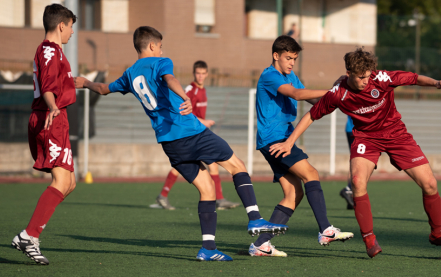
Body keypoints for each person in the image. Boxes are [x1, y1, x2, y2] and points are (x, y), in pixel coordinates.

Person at [75, 26, 288, 261]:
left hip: (170, 143)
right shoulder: (160, 62)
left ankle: (208, 249)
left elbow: (103, 89)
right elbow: (170, 79)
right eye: (161, 46)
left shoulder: (129, 74)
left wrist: (85, 82)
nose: (162, 49)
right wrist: (185, 96)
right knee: (237, 165)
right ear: (153, 46)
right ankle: (255, 218)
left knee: (206, 189)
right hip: (190, 132)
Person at [269, 48, 441, 258]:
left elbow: (413, 78)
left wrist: (437, 82)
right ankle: (369, 238)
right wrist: (289, 142)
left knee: (430, 184)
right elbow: (311, 115)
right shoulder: (338, 93)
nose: (366, 81)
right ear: (349, 73)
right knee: (357, 182)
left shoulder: (381, 78)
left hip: (395, 133)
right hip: (366, 138)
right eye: (361, 77)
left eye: (368, 76)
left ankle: (437, 234)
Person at [248, 35, 353, 257]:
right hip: (275, 140)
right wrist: (332, 92)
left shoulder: (290, 75)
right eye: (288, 58)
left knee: (293, 193)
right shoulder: (270, 76)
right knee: (311, 174)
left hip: (278, 139)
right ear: (275, 56)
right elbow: (297, 94)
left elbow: (312, 100)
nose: (291, 63)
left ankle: (261, 244)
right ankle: (325, 230)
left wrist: (337, 98)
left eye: (294, 59)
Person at [11, 4, 77, 266]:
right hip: (51, 117)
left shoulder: (55, 52)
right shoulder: (50, 50)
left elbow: (59, 82)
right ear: (61, 25)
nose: (72, 32)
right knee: (61, 181)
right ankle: (29, 236)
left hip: (57, 118)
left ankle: (31, 234)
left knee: (69, 183)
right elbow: (49, 87)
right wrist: (52, 107)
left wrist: (84, 83)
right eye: (71, 26)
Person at [154, 60, 240, 211]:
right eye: (197, 73)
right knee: (197, 165)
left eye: (203, 73)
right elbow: (184, 111)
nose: (200, 76)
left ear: (207, 74)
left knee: (207, 166)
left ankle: (164, 195)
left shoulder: (203, 90)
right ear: (194, 74)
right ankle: (218, 199)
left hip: (197, 131)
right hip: (189, 132)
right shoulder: (189, 90)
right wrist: (203, 121)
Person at [339, 115, 355, 209]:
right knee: (362, 162)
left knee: (354, 160)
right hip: (359, 129)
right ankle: (349, 189)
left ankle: (351, 195)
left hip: (350, 128)